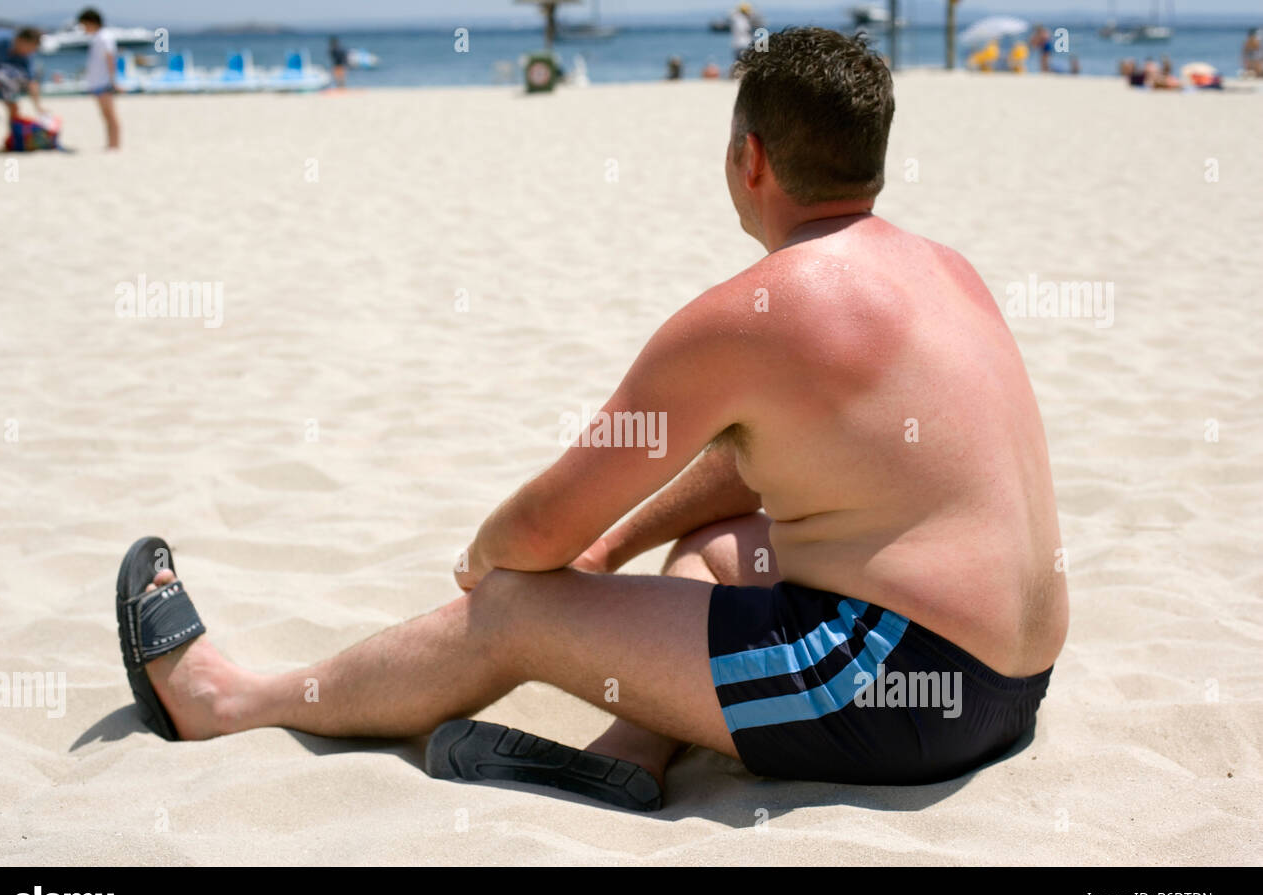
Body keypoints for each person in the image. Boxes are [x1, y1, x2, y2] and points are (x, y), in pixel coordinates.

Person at [112, 28, 1067, 809]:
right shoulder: (949, 271)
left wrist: (494, 561)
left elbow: (535, 535)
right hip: (1012, 685)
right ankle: (633, 750)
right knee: (730, 540)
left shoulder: (756, 313)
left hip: (893, 692)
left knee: (517, 611)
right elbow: (756, 470)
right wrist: (613, 546)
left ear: (750, 158)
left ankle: (227, 703)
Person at [77, 8, 119, 149]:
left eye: (84, 25)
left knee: (110, 115)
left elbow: (110, 58)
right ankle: (111, 143)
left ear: (92, 22)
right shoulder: (98, 37)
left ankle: (114, 144)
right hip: (99, 81)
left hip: (104, 81)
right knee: (106, 115)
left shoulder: (104, 37)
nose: (83, 29)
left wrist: (113, 81)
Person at [0, 26, 43, 128]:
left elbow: (32, 81)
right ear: (21, 40)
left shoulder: (26, 56)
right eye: (31, 48)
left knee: (14, 106)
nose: (31, 52)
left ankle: (13, 137)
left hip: (4, 80)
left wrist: (38, 107)